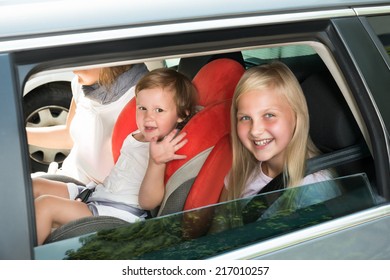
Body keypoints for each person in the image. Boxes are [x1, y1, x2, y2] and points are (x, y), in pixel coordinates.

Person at [32, 68, 198, 245]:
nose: (148, 117)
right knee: (33, 186)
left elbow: (148, 203)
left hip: (119, 214)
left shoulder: (164, 148)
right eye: (142, 108)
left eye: (159, 110)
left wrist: (156, 163)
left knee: (44, 206)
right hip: (98, 195)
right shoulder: (136, 135)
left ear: (181, 114)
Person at [221, 61, 339, 206]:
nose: (255, 130)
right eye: (245, 118)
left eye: (269, 115)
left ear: (296, 117)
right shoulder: (242, 172)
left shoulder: (314, 187)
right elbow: (221, 222)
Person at [27, 64, 149, 184]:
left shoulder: (143, 98)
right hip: (67, 177)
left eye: (82, 61)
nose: (73, 70)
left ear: (108, 63)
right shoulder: (82, 86)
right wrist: (19, 135)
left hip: (95, 193)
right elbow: (69, 136)